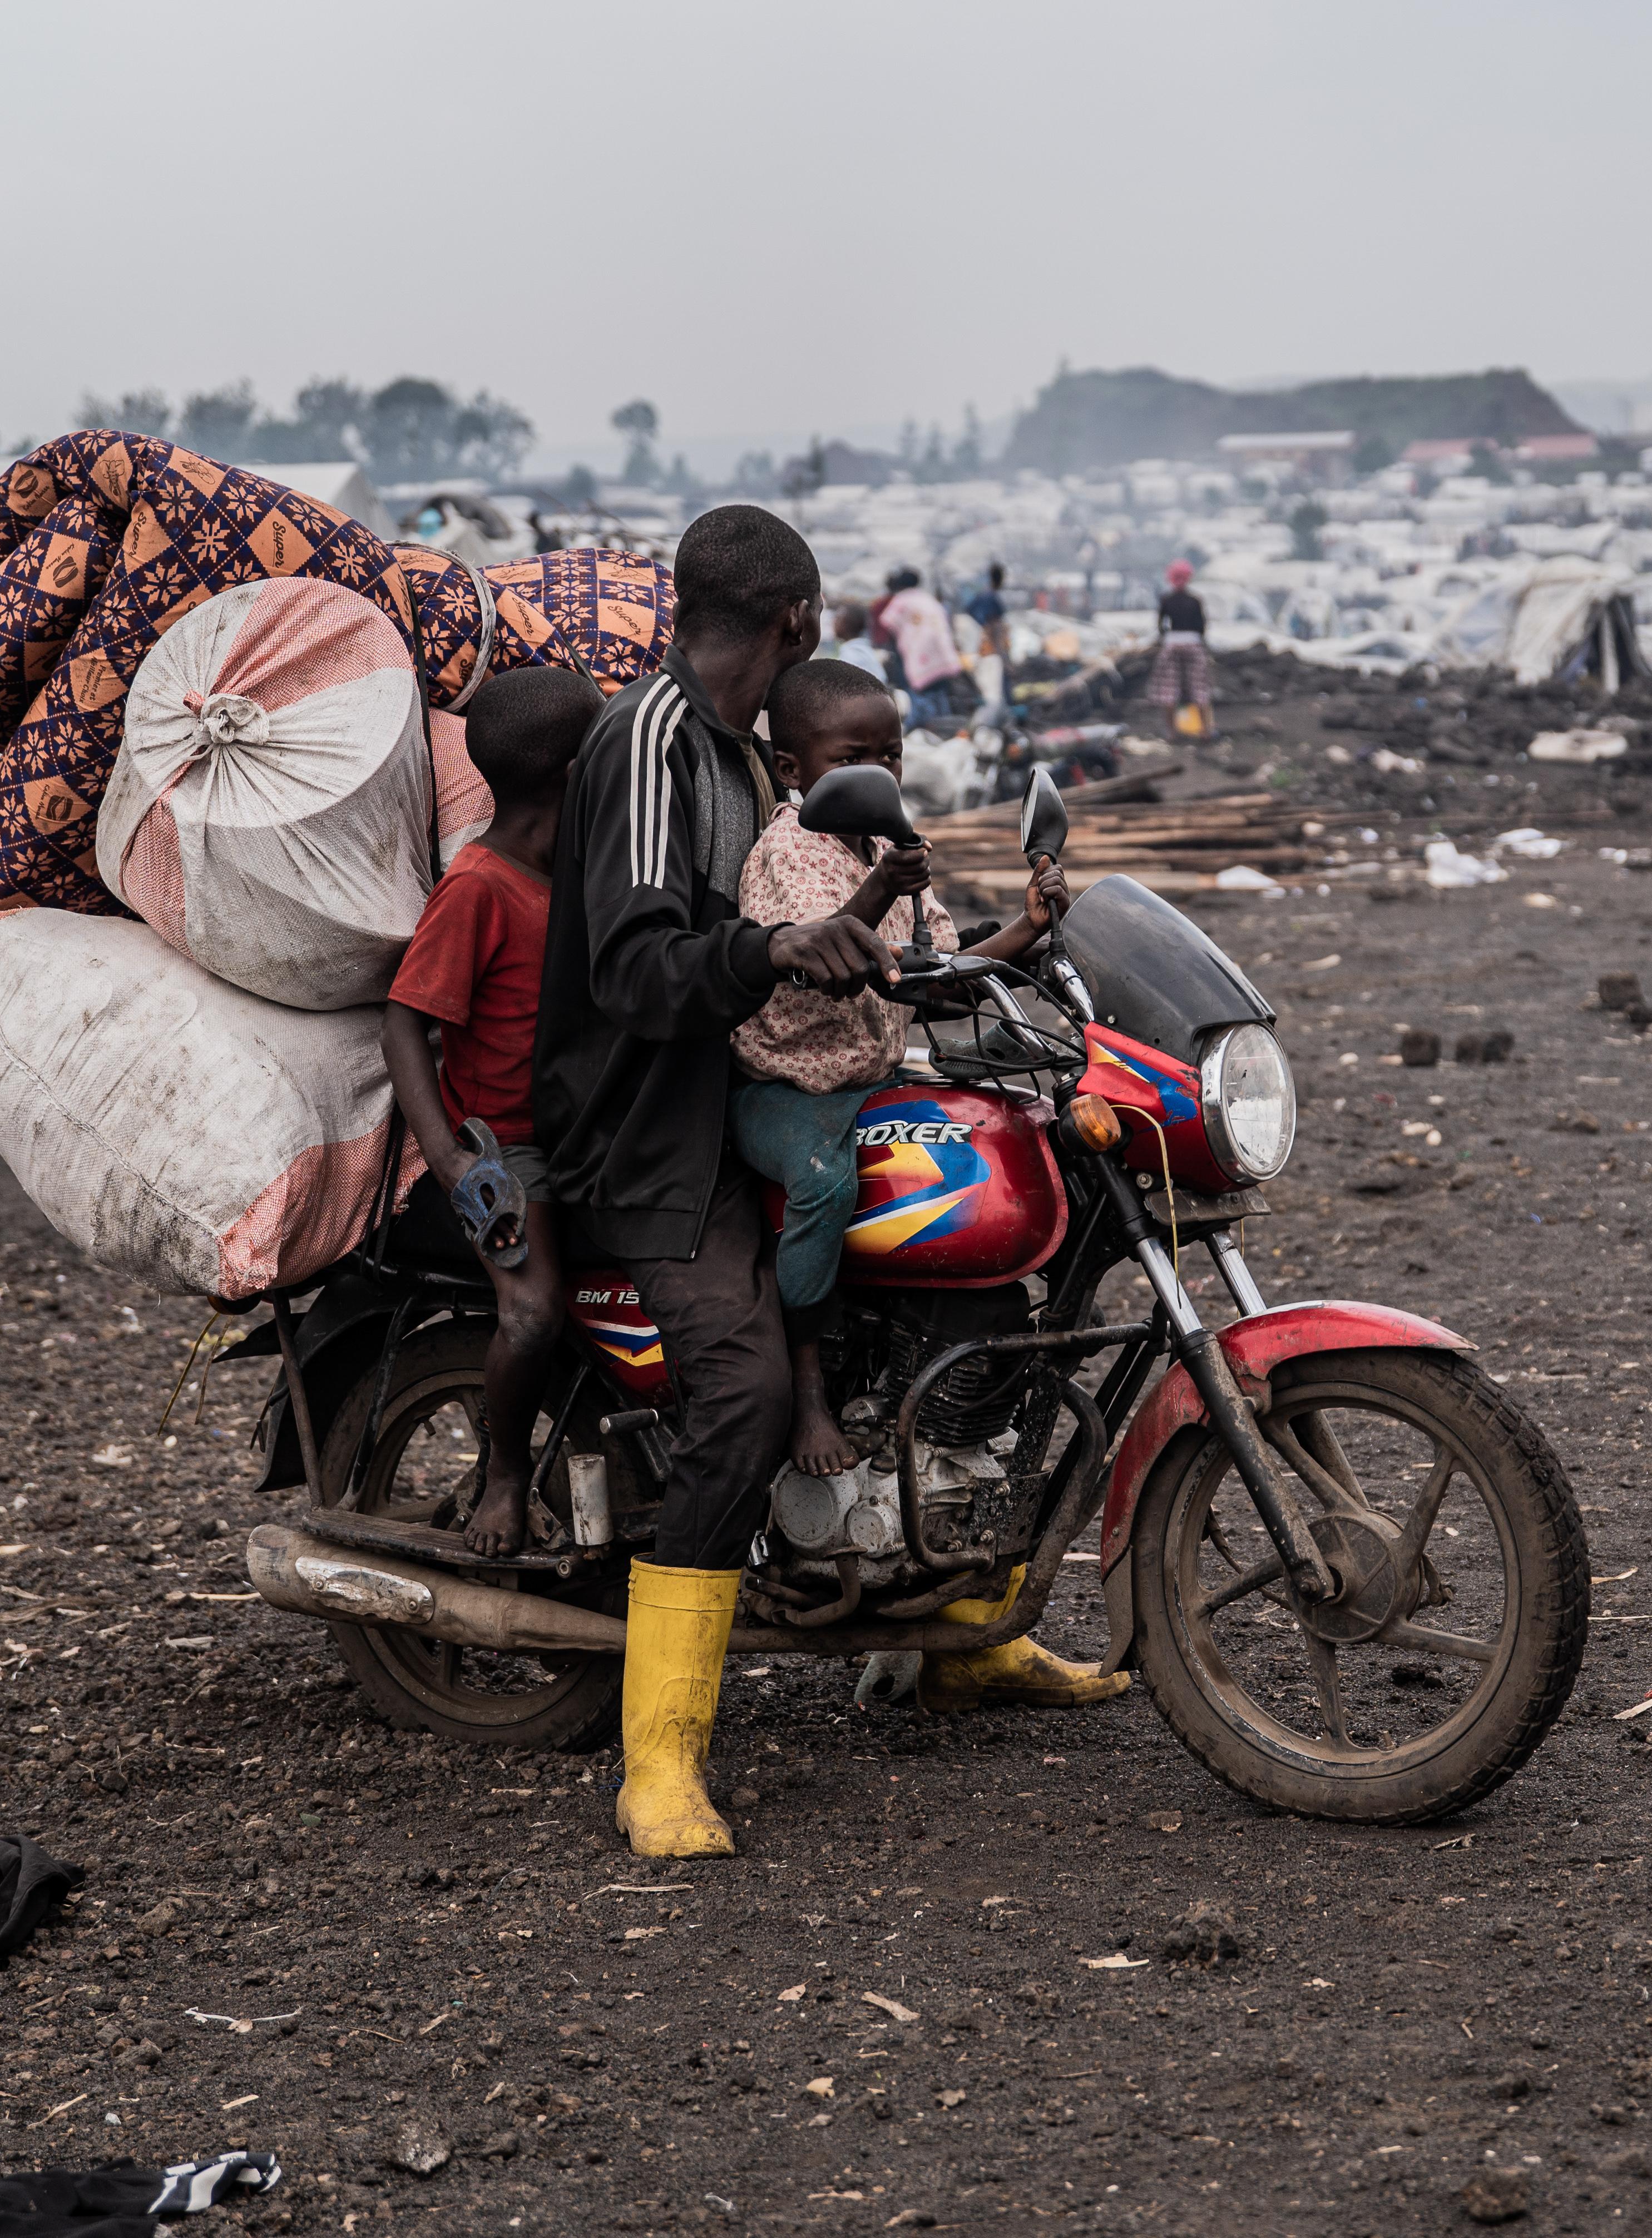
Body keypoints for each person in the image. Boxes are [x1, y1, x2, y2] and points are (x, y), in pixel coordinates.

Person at [535, 506, 1115, 1861]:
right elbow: (632, 967)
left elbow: (859, 926)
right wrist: (781, 949)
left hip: (761, 1086)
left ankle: (957, 1631)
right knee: (739, 1395)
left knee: (996, 1283)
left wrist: (995, 946)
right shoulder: (653, 741)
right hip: (651, 1127)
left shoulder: (752, 749)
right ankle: (661, 1759)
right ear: (800, 618)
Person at [732, 656, 1072, 1479]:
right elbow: (827, 959)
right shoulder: (791, 850)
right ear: (792, 769)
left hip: (873, 1078)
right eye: (855, 759)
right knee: (825, 1184)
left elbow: (941, 971)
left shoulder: (892, 845)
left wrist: (1029, 929)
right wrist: (882, 887)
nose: (879, 775)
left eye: (890, 756)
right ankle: (808, 1391)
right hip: (789, 1089)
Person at [380, 666, 603, 1558]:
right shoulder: (479, 885)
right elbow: (405, 1024)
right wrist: (452, 1162)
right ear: (575, 776)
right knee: (536, 1310)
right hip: (507, 1149)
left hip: (578, 1132)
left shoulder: (578, 875)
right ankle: (503, 1474)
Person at [888, 572, 963, 731]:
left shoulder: (902, 600)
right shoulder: (930, 601)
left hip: (918, 659)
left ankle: (922, 730)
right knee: (940, 697)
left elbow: (889, 623)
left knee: (920, 700)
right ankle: (945, 730)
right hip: (942, 657)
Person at [1150, 559, 1211, 737]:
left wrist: (1166, 638)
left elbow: (1161, 625)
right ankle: (1205, 731)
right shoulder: (1196, 600)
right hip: (1193, 643)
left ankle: (1171, 731)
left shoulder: (1166, 600)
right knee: (1199, 688)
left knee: (1169, 689)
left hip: (1173, 643)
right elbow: (1201, 626)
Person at [960, 561, 1012, 722]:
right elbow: (994, 628)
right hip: (993, 654)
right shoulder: (993, 600)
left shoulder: (982, 597)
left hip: (983, 651)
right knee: (995, 696)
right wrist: (1004, 656)